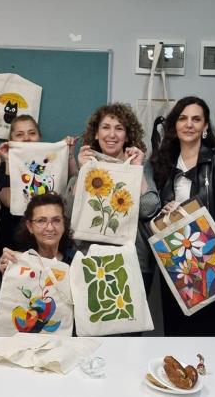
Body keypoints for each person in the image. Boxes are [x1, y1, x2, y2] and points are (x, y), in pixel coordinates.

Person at [150, 96, 215, 336]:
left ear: (205, 126)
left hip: (212, 259)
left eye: (196, 119)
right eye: (183, 118)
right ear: (175, 125)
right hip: (175, 260)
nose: (189, 124)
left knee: (208, 336)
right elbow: (150, 207)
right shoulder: (163, 161)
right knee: (175, 333)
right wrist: (163, 210)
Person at [68, 103, 160, 291]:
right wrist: (83, 171)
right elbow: (69, 212)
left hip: (133, 262)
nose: (112, 134)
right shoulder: (87, 165)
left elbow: (148, 210)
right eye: (106, 127)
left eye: (119, 128)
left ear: (127, 135)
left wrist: (137, 169)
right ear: (96, 133)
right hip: (89, 260)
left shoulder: (139, 165)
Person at [0, 115, 77, 268]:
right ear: (10, 139)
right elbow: (8, 200)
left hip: (51, 241)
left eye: (32, 133)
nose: (27, 138)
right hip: (13, 242)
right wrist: (9, 160)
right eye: (19, 134)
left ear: (39, 137)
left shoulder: (52, 162)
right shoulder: (2, 167)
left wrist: (68, 153)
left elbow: (75, 184)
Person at [0, 193, 77, 274]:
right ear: (30, 226)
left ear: (64, 224)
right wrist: (8, 272)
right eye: (41, 221)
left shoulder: (77, 262)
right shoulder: (19, 262)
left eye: (56, 220)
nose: (50, 228)